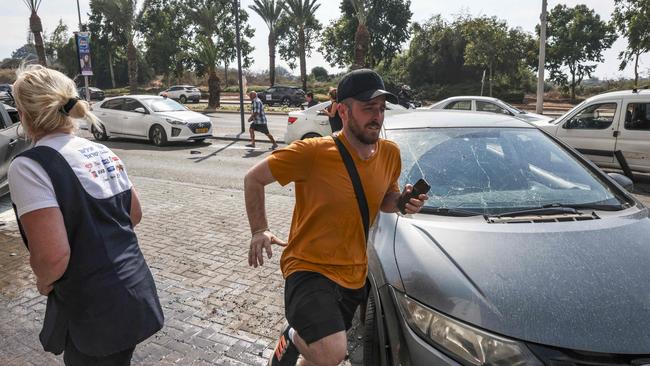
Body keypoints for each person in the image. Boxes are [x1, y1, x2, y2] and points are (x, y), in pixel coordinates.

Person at [244, 69, 428, 366]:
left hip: (353, 274)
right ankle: (291, 335)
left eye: (381, 109)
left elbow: (385, 200)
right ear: (343, 110)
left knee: (319, 358)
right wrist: (260, 229)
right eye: (368, 108)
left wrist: (403, 201)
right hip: (308, 268)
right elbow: (253, 179)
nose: (377, 117)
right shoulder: (313, 152)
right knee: (332, 351)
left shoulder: (390, 154)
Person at [8, 65, 164, 366]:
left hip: (94, 310)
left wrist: (43, 280)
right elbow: (134, 214)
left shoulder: (29, 166)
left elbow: (53, 257)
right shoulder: (101, 150)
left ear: (24, 115)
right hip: (135, 291)